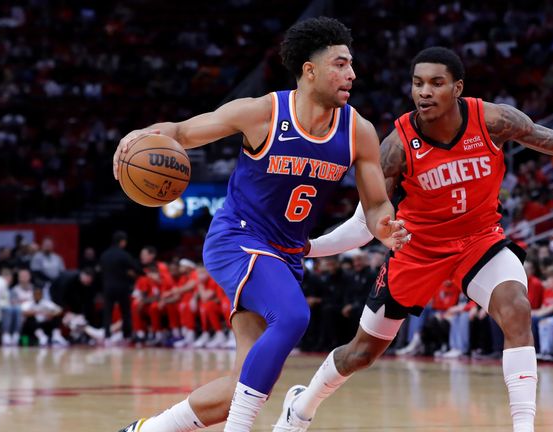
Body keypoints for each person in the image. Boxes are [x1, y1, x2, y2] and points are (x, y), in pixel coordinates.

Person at [273, 46, 553, 432]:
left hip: (479, 240)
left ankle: (523, 428)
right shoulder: (396, 146)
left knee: (516, 309)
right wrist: (309, 246)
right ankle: (302, 406)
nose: (424, 91)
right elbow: (366, 222)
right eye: (418, 83)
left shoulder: (494, 120)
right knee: (361, 353)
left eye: (436, 83)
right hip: (417, 250)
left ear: (458, 88)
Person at [113, 17, 407, 432]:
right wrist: (140, 137)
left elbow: (376, 205)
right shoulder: (262, 113)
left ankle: (147, 430)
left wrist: (385, 228)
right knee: (293, 317)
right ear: (310, 70)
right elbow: (182, 132)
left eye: (351, 65)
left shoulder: (357, 131)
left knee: (245, 385)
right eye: (341, 64)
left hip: (284, 255)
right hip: (238, 238)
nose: (352, 74)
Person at [99, 230, 140, 342]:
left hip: (107, 286)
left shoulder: (105, 255)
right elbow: (136, 268)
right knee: (125, 311)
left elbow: (101, 270)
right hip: (122, 286)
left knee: (107, 311)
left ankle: (107, 335)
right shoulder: (124, 255)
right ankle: (126, 335)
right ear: (122, 242)